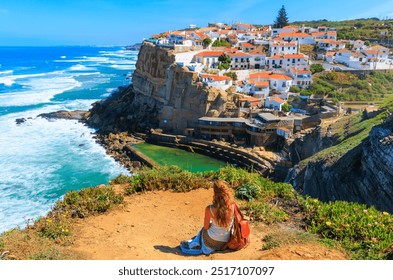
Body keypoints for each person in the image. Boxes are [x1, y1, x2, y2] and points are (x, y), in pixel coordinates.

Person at [180, 180, 234, 255]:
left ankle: (195, 244)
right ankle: (196, 242)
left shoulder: (210, 209)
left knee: (203, 230)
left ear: (215, 193)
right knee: (211, 226)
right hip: (225, 240)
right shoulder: (233, 206)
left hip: (212, 241)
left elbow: (206, 227)